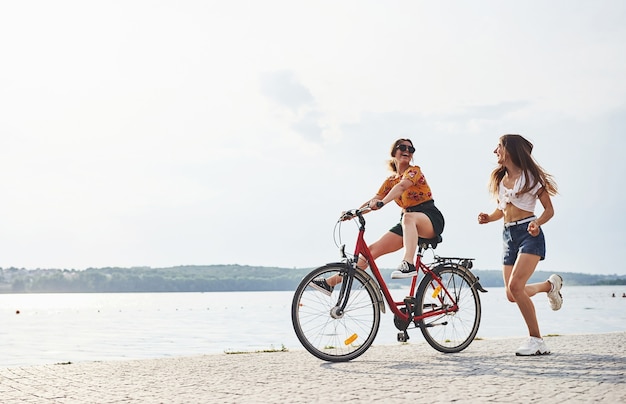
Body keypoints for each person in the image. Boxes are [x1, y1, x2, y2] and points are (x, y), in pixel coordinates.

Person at [310, 138, 445, 295]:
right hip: (408, 222)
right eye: (402, 147)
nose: (407, 150)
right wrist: (354, 213)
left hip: (429, 217)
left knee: (408, 218)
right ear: (394, 152)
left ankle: (408, 264)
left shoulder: (414, 171)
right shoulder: (390, 181)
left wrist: (383, 203)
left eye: (411, 149)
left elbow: (401, 187)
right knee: (371, 252)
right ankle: (330, 283)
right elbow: (375, 199)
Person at [477, 134, 560, 356]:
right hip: (508, 236)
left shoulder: (531, 178)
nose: (495, 151)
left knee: (516, 287)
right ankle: (548, 287)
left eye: (499, 147)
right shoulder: (501, 180)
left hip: (529, 234)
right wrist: (488, 217)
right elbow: (501, 210)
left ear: (510, 150)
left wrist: (537, 223)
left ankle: (537, 340)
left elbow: (549, 210)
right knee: (512, 294)